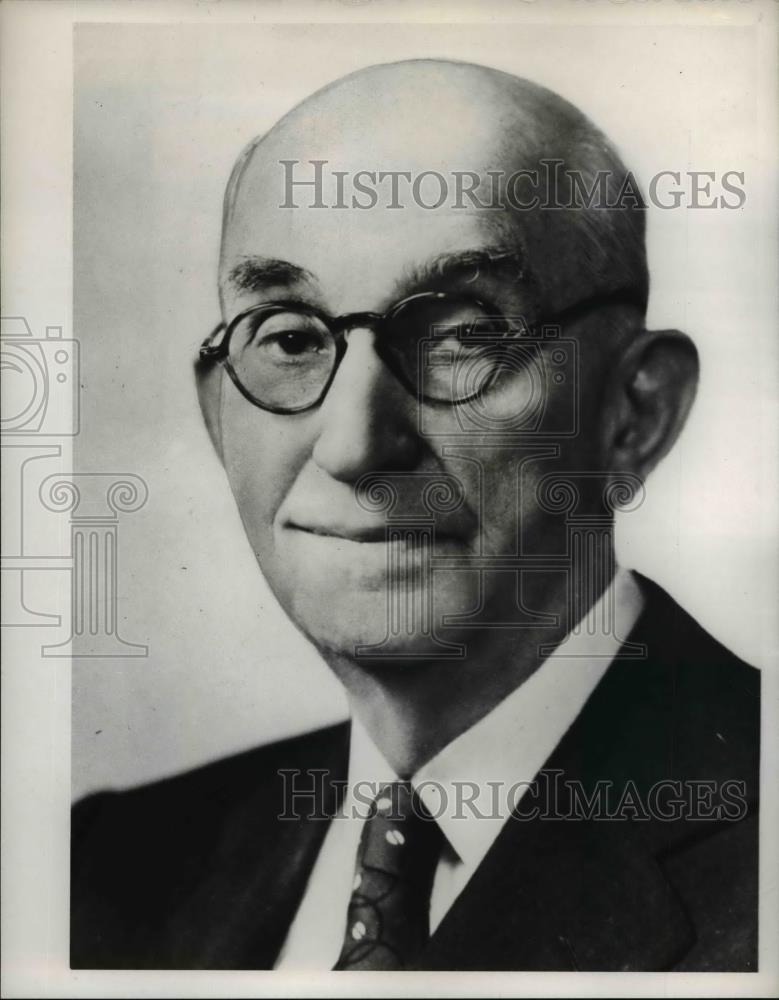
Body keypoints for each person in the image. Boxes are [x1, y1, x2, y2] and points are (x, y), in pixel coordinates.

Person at [71, 60, 759, 972]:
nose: (353, 444)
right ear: (217, 415)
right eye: (289, 337)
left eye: (463, 333)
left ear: (633, 412)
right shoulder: (108, 872)